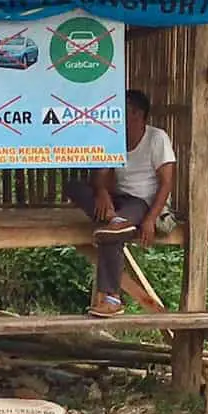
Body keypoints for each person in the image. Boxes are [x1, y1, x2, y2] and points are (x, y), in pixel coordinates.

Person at [65, 89, 176, 318]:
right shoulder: (113, 137)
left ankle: (112, 299)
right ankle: (115, 220)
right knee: (73, 186)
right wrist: (102, 192)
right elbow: (100, 176)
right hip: (117, 201)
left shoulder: (157, 138)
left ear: (137, 114)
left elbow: (166, 184)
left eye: (123, 111)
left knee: (111, 236)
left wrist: (150, 219)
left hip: (142, 203)